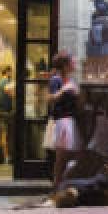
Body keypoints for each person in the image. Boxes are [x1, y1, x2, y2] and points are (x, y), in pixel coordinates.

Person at [43, 51, 82, 192]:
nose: (75, 63)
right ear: (65, 65)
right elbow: (49, 99)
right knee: (61, 157)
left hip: (70, 120)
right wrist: (64, 90)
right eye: (72, 61)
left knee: (74, 154)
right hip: (61, 121)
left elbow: (77, 102)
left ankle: (64, 185)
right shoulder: (56, 80)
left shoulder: (71, 80)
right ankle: (56, 188)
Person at [0, 64, 14, 163]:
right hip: (6, 112)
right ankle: (7, 157)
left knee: (2, 134)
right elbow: (10, 92)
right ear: (7, 72)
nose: (12, 73)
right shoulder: (7, 81)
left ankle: (4, 156)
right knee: (7, 135)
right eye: (11, 71)